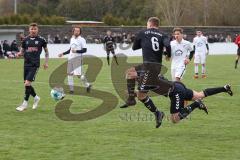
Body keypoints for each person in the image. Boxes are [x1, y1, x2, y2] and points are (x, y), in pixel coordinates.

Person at [120, 17, 171, 128]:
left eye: (147, 24)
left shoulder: (142, 32)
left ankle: (166, 96)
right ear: (157, 25)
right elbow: (167, 45)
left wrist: (143, 42)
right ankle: (131, 99)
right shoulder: (163, 34)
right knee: (129, 73)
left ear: (149, 24)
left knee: (142, 95)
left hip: (150, 67)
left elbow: (134, 47)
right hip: (153, 66)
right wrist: (168, 54)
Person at [156, 79, 233, 124]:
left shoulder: (147, 81)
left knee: (174, 119)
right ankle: (224, 88)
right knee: (200, 95)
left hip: (176, 92)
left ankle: (196, 104)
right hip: (178, 85)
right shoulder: (152, 73)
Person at [16, 23, 49, 111]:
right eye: (32, 29)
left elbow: (46, 52)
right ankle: (36, 97)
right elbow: (22, 51)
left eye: (35, 29)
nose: (33, 30)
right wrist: (19, 54)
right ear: (29, 30)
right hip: (26, 64)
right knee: (27, 85)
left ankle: (24, 104)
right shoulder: (25, 40)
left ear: (37, 30)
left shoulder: (42, 40)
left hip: (35, 65)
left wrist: (46, 62)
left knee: (27, 83)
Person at [58, 27, 91, 93]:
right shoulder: (72, 39)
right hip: (70, 58)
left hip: (77, 59)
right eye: (75, 30)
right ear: (73, 31)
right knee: (69, 74)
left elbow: (84, 50)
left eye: (78, 31)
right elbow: (70, 50)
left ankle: (88, 85)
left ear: (80, 32)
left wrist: (76, 51)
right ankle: (71, 90)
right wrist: (63, 53)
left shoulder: (82, 40)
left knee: (79, 76)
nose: (76, 32)